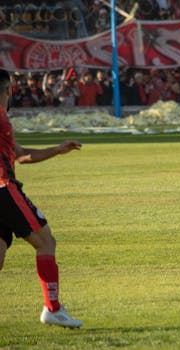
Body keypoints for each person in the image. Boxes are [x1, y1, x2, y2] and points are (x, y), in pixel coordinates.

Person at [0, 69, 83, 328]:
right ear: (8, 90)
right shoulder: (1, 119)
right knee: (46, 242)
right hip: (4, 188)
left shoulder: (4, 121)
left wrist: (57, 150)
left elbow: (22, 155)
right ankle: (53, 308)